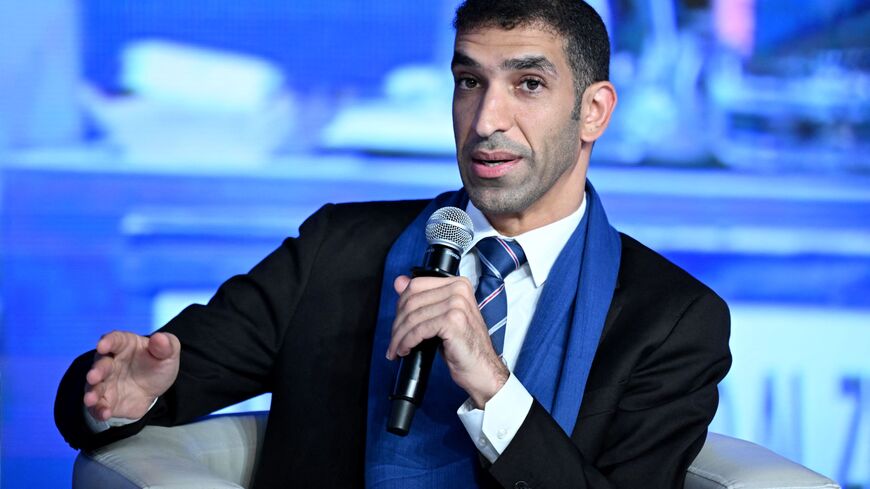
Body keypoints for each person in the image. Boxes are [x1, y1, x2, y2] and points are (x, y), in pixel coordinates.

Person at [55, 1, 731, 487]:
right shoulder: (337, 248)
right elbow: (142, 381)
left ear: (594, 111)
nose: (487, 119)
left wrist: (493, 389)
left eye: (528, 84)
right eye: (469, 82)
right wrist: (123, 389)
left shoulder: (671, 321)